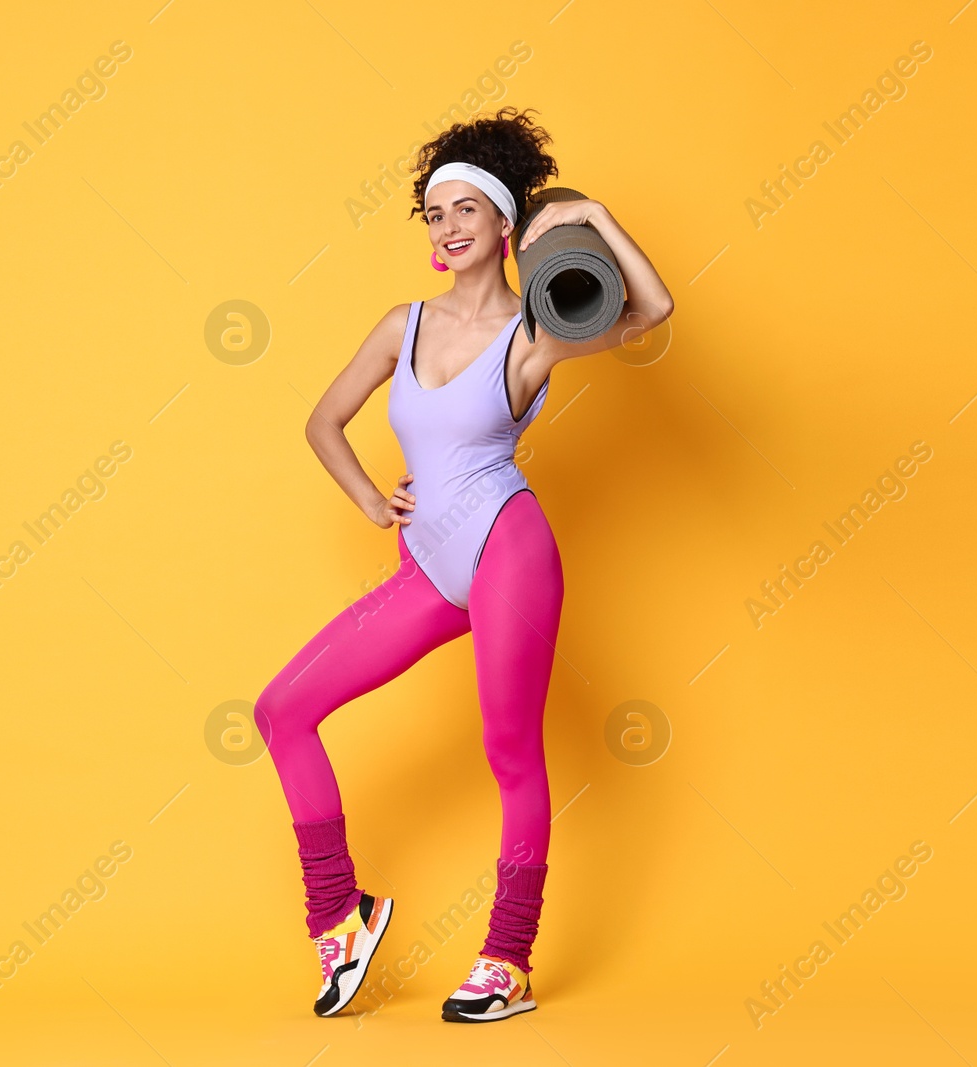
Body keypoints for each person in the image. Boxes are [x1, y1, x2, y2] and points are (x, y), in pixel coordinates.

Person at [253, 106, 674, 1023]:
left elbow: (655, 310)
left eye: (463, 212)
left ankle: (506, 961)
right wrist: (370, 498)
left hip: (509, 550)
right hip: (429, 568)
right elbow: (324, 421)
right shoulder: (401, 324)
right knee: (283, 709)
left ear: (502, 227)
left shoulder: (536, 334)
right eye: (434, 214)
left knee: (508, 750)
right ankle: (342, 917)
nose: (445, 230)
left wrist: (595, 217)